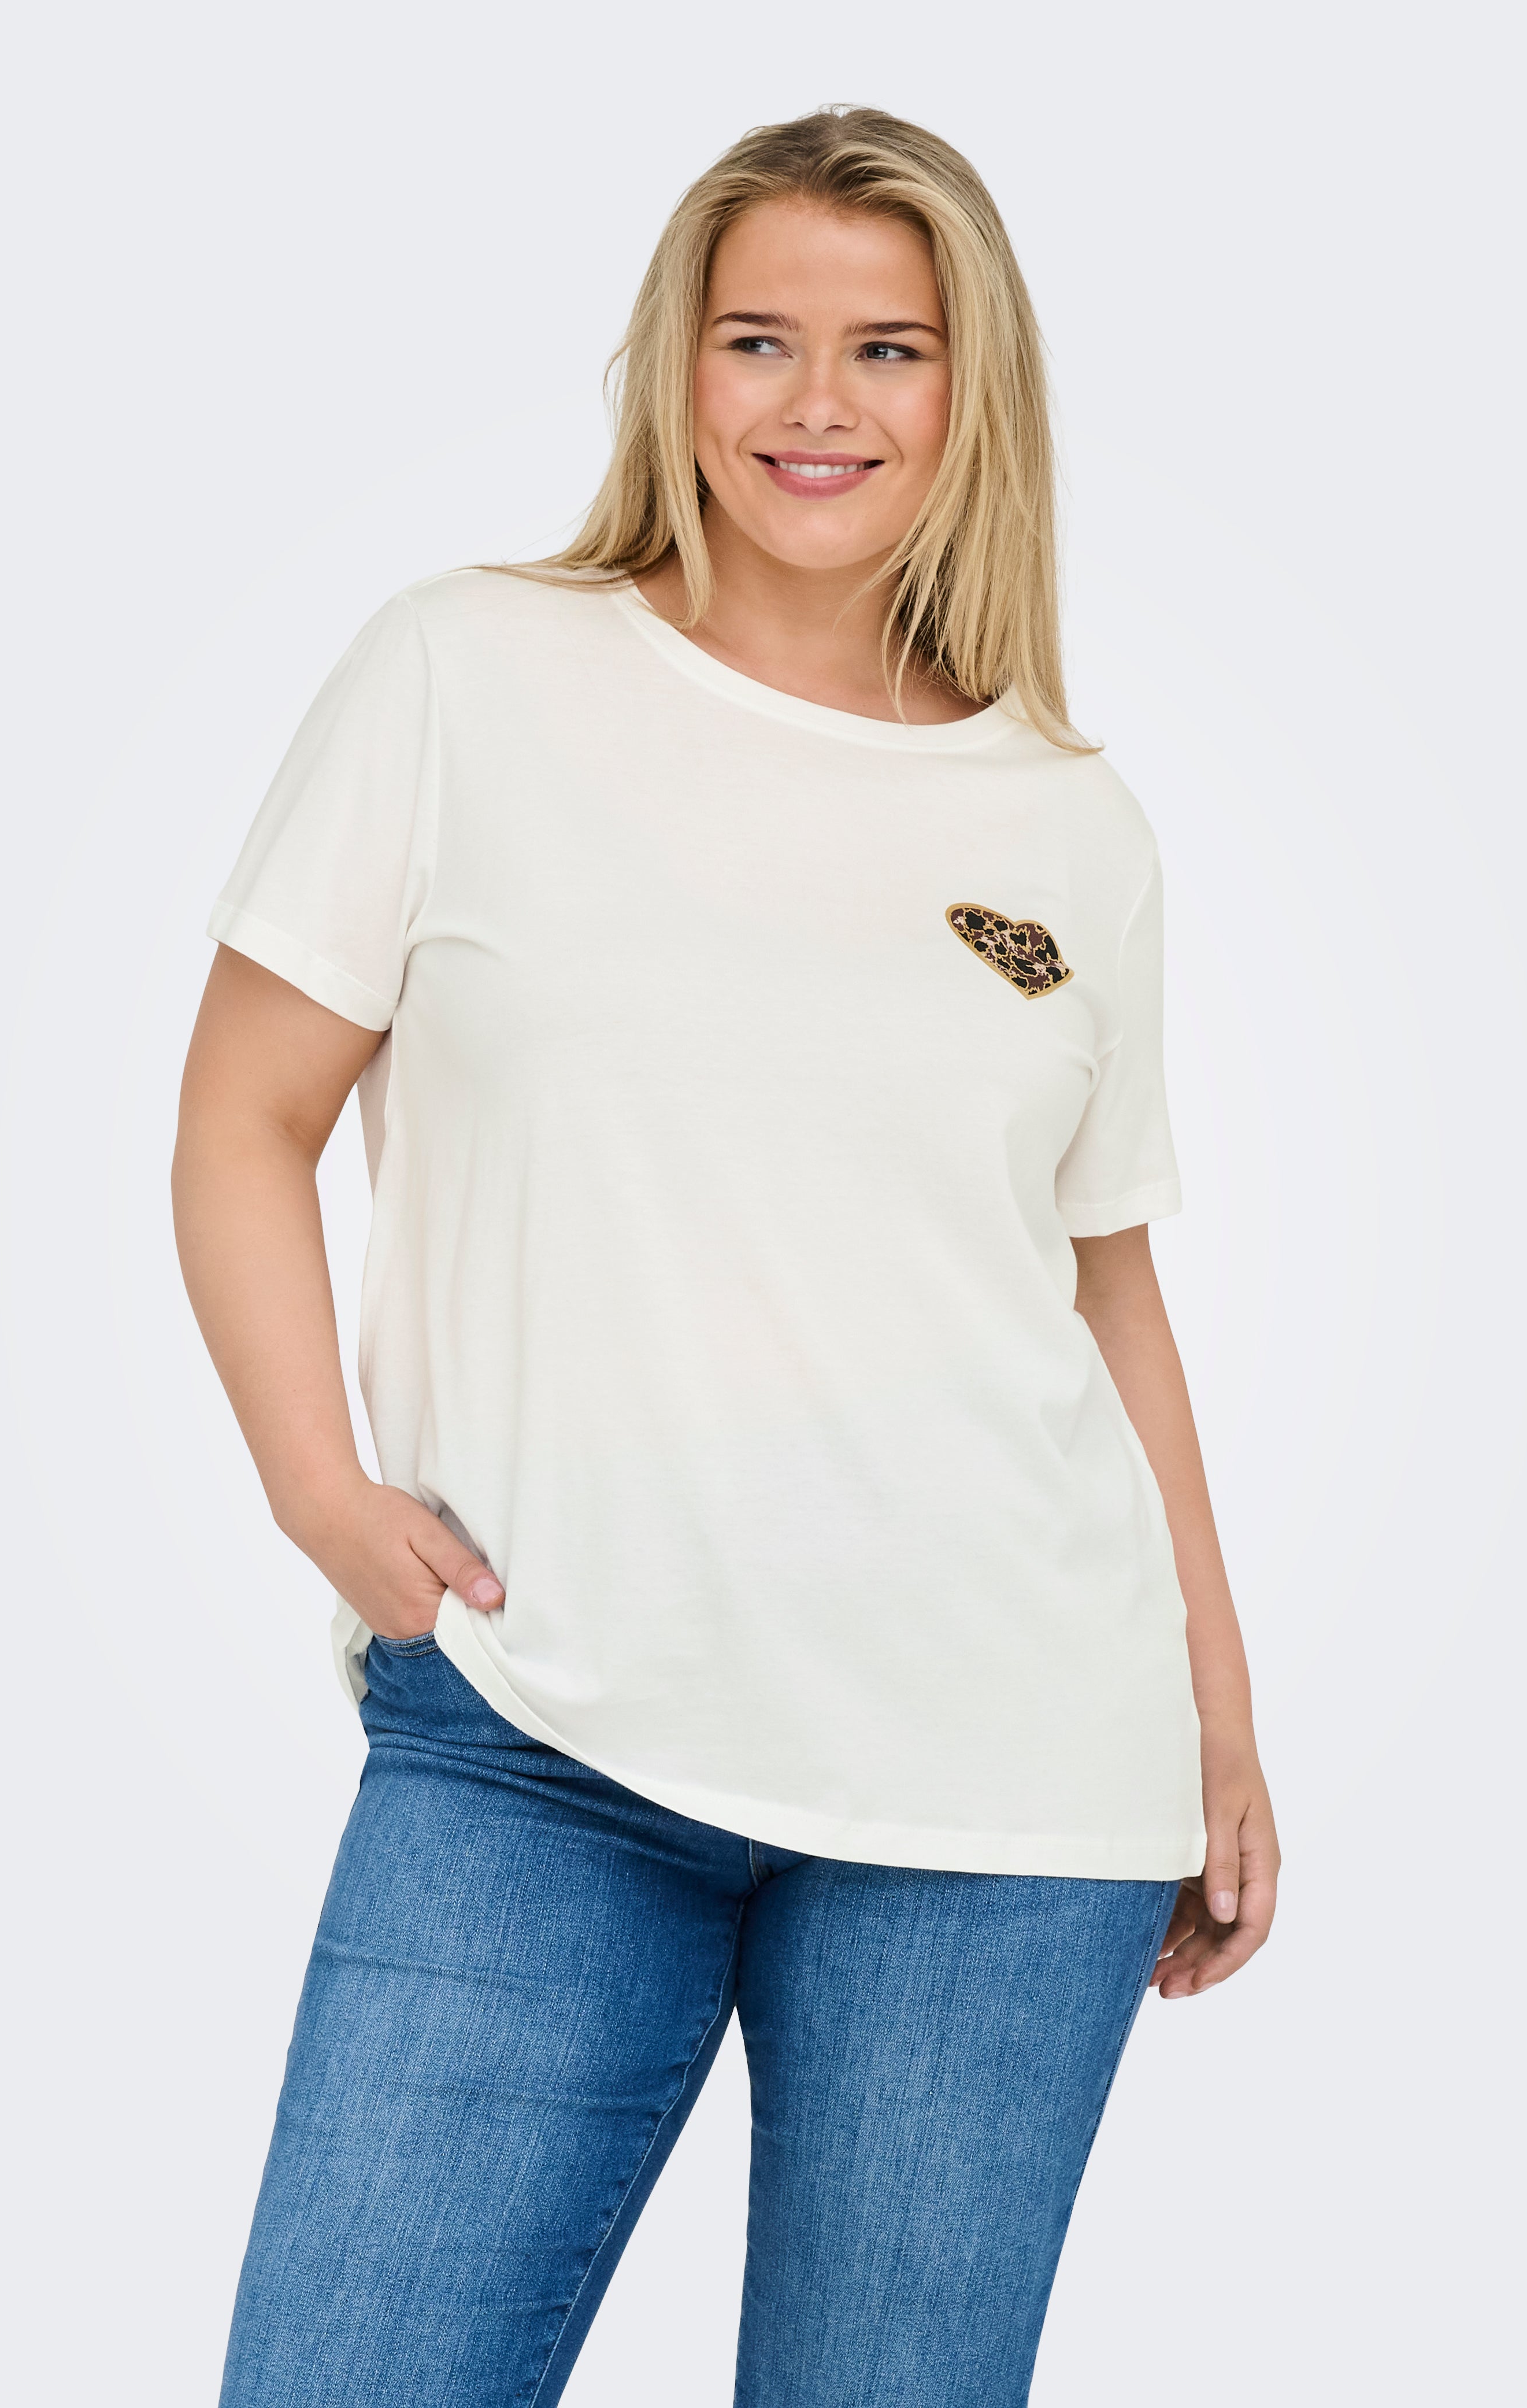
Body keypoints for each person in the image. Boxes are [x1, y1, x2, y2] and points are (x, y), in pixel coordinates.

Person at [174, 102, 1278, 2408]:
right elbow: (245, 1116)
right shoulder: (464, 674)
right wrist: (319, 1496)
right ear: (675, 366)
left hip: (1002, 1791)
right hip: (536, 1731)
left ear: (971, 395)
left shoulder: (1066, 824)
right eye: (757, 337)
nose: (815, 403)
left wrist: (1220, 1716)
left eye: (889, 348)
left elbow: (1100, 1291)